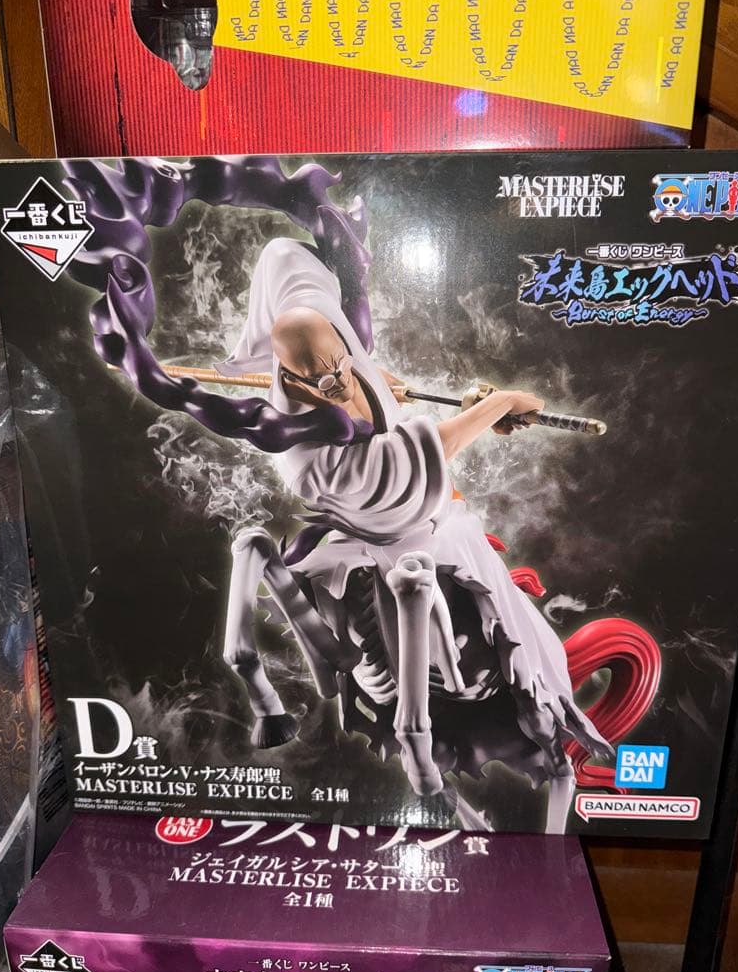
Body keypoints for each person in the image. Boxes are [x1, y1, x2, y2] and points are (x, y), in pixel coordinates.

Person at [216, 238, 611, 830]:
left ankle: (539, 699)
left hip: (398, 522)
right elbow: (430, 448)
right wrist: (499, 402)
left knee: (511, 624)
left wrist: (415, 394)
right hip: (403, 532)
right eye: (319, 380)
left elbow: (371, 396)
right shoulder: (305, 460)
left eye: (340, 366)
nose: (337, 384)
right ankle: (535, 701)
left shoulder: (327, 362)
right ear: (289, 376)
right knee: (510, 615)